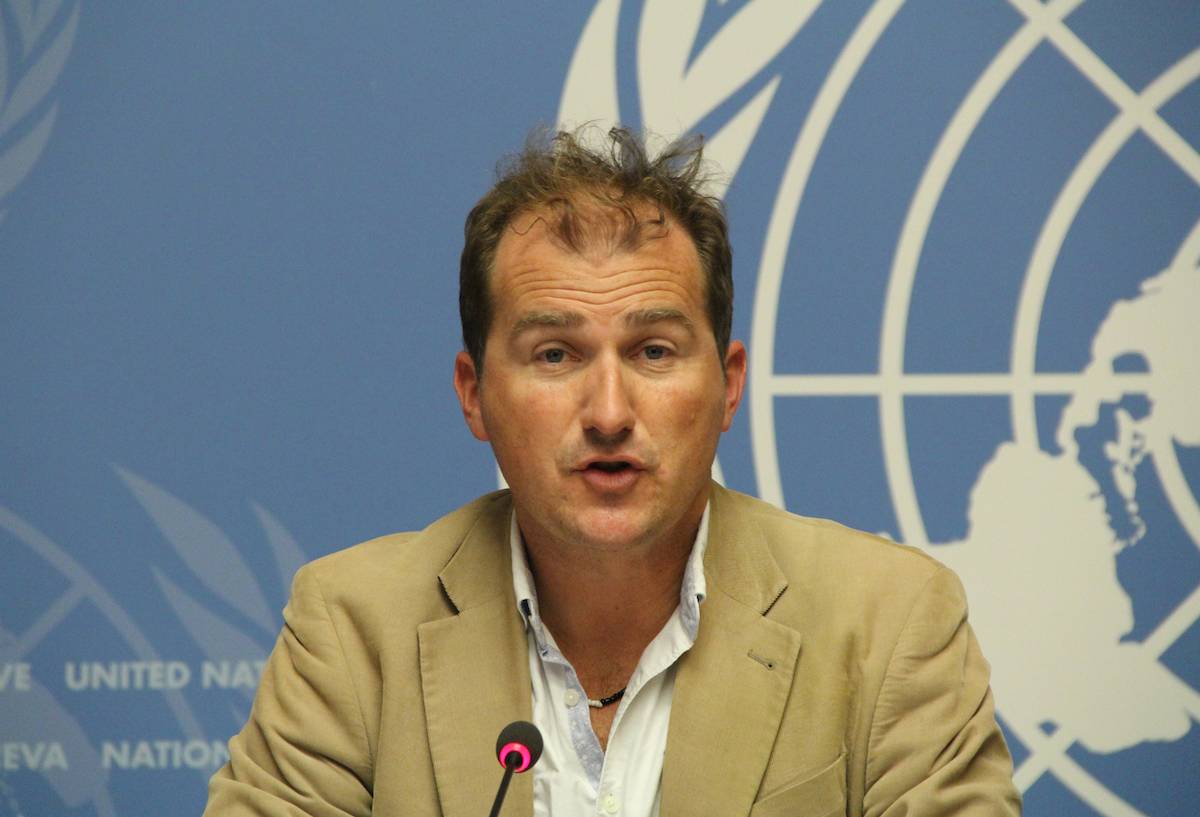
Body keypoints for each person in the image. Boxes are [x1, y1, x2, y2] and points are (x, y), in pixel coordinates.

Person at [203, 127, 1021, 816]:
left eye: (653, 351)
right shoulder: (352, 632)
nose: (607, 411)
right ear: (474, 394)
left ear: (729, 385)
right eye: (554, 354)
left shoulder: (887, 627)